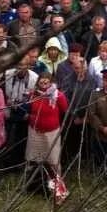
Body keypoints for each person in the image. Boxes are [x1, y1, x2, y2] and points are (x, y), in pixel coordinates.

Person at [25, 73, 70, 202]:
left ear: (51, 82)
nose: (44, 83)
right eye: (42, 81)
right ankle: (34, 187)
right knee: (33, 160)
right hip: (35, 132)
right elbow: (28, 110)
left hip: (52, 133)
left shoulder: (58, 95)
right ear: (38, 82)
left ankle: (58, 192)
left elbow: (65, 109)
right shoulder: (33, 94)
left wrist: (58, 98)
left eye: (47, 81)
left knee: (53, 162)